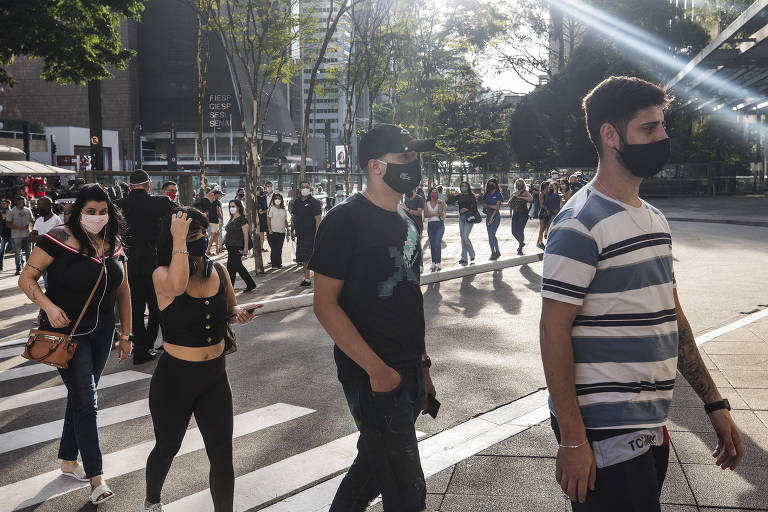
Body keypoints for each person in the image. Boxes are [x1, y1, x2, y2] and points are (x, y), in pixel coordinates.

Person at [540, 76, 743, 512]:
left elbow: (672, 316)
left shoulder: (654, 219)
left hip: (649, 419)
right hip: (603, 428)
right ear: (610, 135)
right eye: (649, 128)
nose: (662, 137)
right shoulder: (578, 223)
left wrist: (714, 403)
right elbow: (552, 331)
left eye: (662, 126)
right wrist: (573, 440)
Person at [311, 123, 436, 511]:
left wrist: (423, 368)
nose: (413, 164)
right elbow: (324, 304)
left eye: (415, 156)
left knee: (368, 475)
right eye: (404, 156)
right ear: (375, 166)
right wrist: (377, 370)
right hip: (373, 377)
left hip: (408, 370)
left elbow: (410, 298)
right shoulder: (344, 219)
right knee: (407, 493)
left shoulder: (408, 219)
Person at [18, 184, 132, 505]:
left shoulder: (114, 244)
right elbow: (26, 278)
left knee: (82, 396)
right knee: (87, 401)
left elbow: (124, 291)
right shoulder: (57, 237)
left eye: (103, 211)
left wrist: (127, 334)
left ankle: (69, 460)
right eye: (90, 211)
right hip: (66, 331)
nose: (97, 217)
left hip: (103, 331)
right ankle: (96, 478)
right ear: (79, 210)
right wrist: (49, 307)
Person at [143, 208, 258, 512]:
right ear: (174, 239)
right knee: (168, 446)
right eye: (191, 234)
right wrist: (179, 238)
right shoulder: (162, 274)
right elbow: (177, 286)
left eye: (202, 233)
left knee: (222, 453)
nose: (201, 239)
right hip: (175, 379)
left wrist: (239, 315)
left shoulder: (218, 271)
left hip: (214, 377)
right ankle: (151, 501)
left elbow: (230, 310)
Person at [116, 169, 177, 364]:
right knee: (156, 305)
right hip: (155, 260)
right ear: (149, 184)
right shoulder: (161, 203)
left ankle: (140, 346)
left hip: (128, 262)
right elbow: (180, 219)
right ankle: (148, 344)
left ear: (130, 186)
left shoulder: (118, 205)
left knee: (134, 305)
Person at [289, 180, 322, 287]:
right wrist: (292, 231)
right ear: (299, 189)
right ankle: (307, 279)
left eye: (307, 187)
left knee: (315, 258)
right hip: (301, 235)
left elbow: (318, 219)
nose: (305, 189)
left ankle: (319, 281)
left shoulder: (315, 202)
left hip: (312, 235)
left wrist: (318, 235)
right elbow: (294, 218)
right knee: (304, 259)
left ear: (310, 188)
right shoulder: (297, 202)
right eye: (303, 187)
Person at [223, 199, 256, 292]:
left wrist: (246, 248)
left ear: (238, 207)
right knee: (234, 266)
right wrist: (221, 244)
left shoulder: (242, 220)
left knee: (233, 266)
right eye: (230, 206)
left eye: (233, 206)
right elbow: (227, 233)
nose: (231, 208)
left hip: (237, 247)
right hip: (230, 247)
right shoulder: (231, 219)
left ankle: (230, 288)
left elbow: (246, 235)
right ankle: (249, 284)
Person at [30, 196, 63, 288]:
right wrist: (38, 237)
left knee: (51, 281)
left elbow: (49, 238)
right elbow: (33, 236)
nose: (39, 209)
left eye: (42, 207)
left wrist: (38, 237)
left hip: (52, 256)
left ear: (50, 206)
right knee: (46, 280)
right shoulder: (39, 219)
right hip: (40, 254)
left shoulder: (55, 220)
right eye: (38, 206)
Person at [7, 196, 34, 275]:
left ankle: (28, 268)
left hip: (27, 234)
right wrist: (19, 228)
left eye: (24, 201)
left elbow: (32, 220)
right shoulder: (12, 211)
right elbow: (8, 224)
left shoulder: (28, 210)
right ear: (18, 202)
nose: (25, 203)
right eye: (23, 201)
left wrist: (31, 228)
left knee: (29, 252)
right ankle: (18, 268)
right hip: (16, 236)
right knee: (18, 252)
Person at [508, 179, 533, 255]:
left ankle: (520, 249)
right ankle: (521, 242)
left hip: (523, 213)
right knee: (513, 231)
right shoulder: (514, 193)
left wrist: (521, 197)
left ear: (523, 185)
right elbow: (509, 203)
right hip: (515, 213)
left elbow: (531, 199)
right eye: (517, 184)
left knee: (520, 230)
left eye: (520, 183)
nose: (519, 185)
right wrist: (513, 197)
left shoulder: (525, 192)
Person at [424, 186, 445, 271]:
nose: (435, 194)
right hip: (431, 225)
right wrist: (435, 214)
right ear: (430, 194)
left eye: (436, 192)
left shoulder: (440, 202)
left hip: (439, 224)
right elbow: (426, 215)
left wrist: (433, 213)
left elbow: (440, 213)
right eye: (433, 192)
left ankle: (438, 262)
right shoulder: (426, 203)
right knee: (432, 244)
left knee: (437, 243)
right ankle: (433, 262)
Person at [456, 181, 477, 264]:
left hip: (469, 217)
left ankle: (472, 253)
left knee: (465, 236)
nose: (463, 187)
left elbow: (474, 208)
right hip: (461, 217)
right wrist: (453, 196)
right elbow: (449, 201)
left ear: (468, 187)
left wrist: (467, 209)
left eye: (465, 186)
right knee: (462, 237)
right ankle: (464, 257)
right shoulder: (459, 196)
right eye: (462, 186)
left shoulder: (471, 196)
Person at [482, 179, 503, 260]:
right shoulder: (486, 194)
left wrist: (492, 217)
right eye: (489, 184)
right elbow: (484, 205)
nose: (491, 186)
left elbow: (497, 207)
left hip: (495, 215)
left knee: (492, 234)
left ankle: (497, 251)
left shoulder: (498, 194)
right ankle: (493, 253)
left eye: (492, 184)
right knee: (489, 236)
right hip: (488, 215)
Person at [267, 193, 289, 269]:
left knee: (279, 248)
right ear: (273, 200)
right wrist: (270, 229)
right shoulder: (271, 208)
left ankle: (279, 264)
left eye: (279, 198)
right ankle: (274, 264)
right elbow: (268, 220)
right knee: (274, 248)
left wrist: (288, 230)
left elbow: (285, 220)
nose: (277, 200)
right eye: (276, 198)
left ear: (281, 200)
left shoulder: (284, 209)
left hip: (282, 232)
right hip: (273, 231)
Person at [207, 190, 224, 255]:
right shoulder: (217, 202)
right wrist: (221, 219)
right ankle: (207, 251)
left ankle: (217, 250)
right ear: (216, 195)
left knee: (216, 234)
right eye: (219, 195)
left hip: (209, 220)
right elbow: (218, 211)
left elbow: (207, 212)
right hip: (215, 221)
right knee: (212, 236)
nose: (220, 196)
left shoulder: (210, 201)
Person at [0, 198, 12, 271]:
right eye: (2, 204)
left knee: (17, 251)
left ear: (8, 204)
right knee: (1, 252)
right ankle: (0, 266)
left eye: (4, 204)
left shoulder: (12, 212)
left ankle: (19, 265)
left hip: (11, 234)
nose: (2, 205)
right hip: (3, 235)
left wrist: (6, 217)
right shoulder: (1, 212)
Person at [256, 185, 268, 253]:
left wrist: (262, 211)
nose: (261, 191)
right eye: (259, 190)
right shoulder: (255, 199)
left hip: (262, 218)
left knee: (261, 233)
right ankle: (259, 248)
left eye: (262, 190)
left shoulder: (262, 198)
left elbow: (266, 208)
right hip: (258, 218)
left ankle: (261, 247)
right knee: (260, 233)